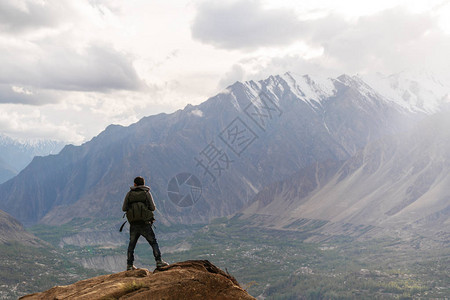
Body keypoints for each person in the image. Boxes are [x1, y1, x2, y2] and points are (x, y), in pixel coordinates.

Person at [122, 176, 169, 271]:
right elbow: (152, 208)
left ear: (135, 184)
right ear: (143, 184)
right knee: (153, 242)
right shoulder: (146, 193)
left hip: (134, 224)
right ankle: (159, 262)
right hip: (145, 223)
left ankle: (130, 266)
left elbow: (124, 208)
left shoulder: (129, 194)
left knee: (131, 245)